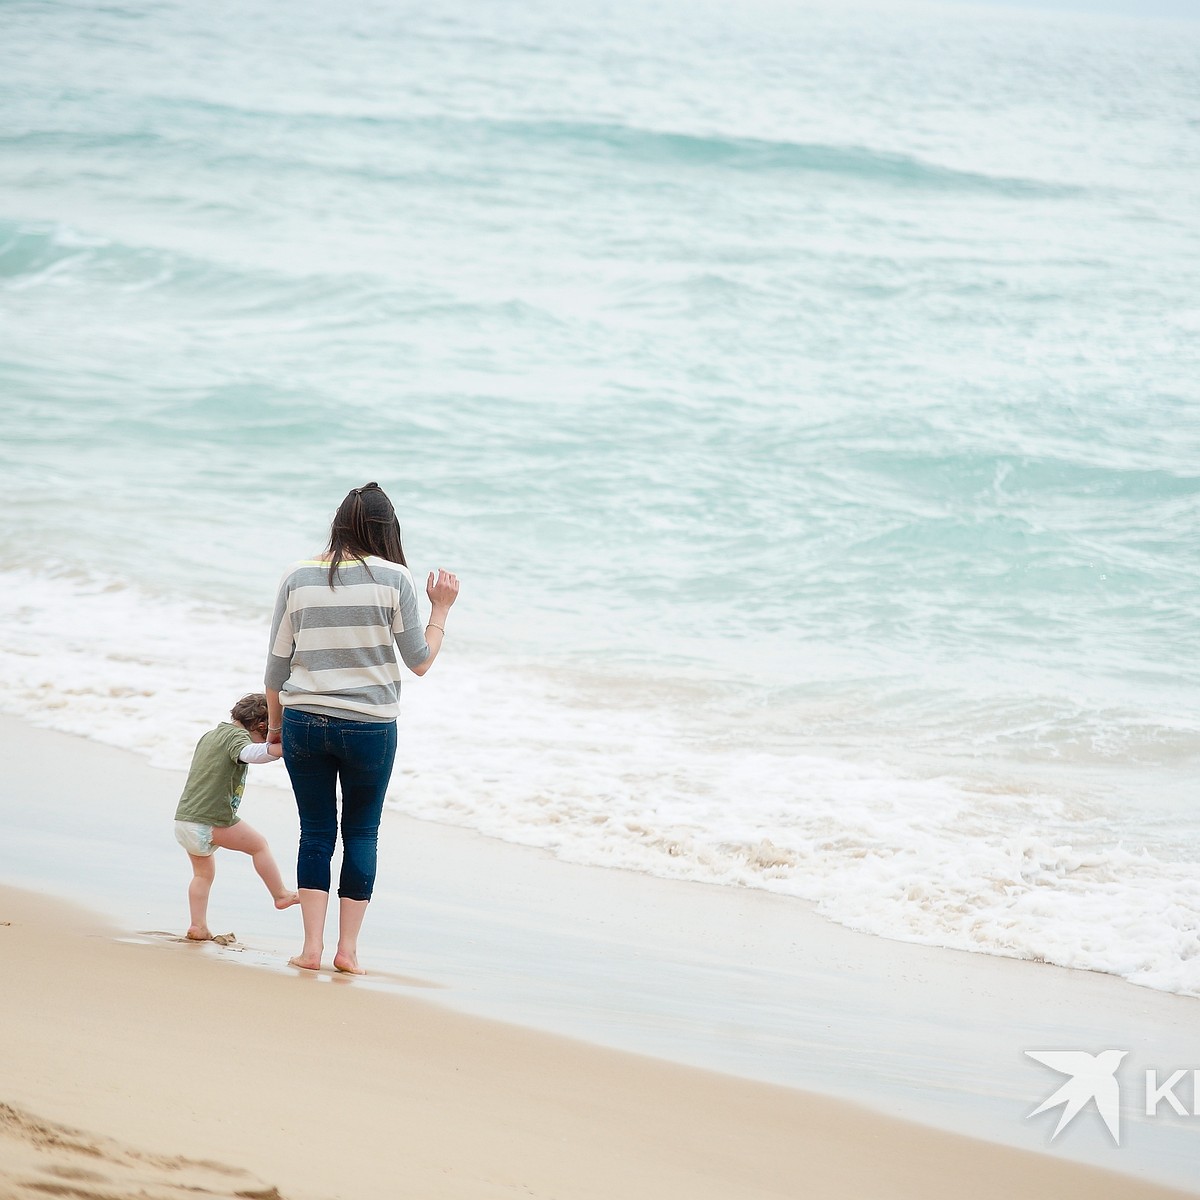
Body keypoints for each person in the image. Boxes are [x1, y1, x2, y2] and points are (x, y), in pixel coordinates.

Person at [264, 481, 459, 975]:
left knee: (315, 833)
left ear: (338, 523)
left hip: (305, 719)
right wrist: (441, 610)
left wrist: (274, 726)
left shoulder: (297, 575)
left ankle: (311, 950)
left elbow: (276, 668)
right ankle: (346, 952)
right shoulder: (396, 578)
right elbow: (419, 661)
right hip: (371, 726)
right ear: (387, 530)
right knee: (362, 833)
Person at [174, 693, 299, 941]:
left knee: (203, 874)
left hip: (184, 820)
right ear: (262, 727)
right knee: (259, 845)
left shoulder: (210, 735)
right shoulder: (237, 737)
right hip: (210, 820)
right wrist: (282, 749)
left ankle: (198, 925)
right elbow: (250, 753)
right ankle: (280, 895)